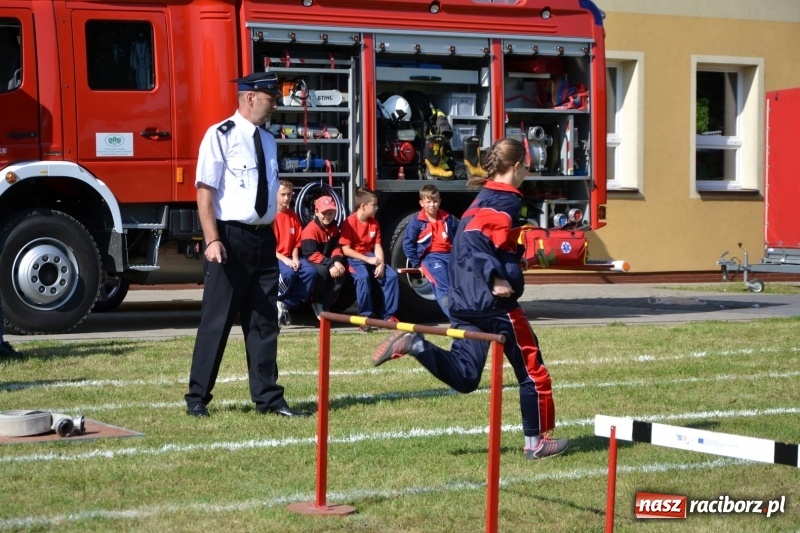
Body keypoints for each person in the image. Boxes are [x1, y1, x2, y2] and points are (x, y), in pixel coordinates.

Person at [372, 139, 568, 460]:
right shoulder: (504, 201)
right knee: (533, 371)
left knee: (465, 377)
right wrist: (497, 277)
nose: (529, 172)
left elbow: (488, 241)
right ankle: (537, 442)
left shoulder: (484, 197)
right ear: (517, 167)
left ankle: (416, 344)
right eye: (528, 166)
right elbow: (477, 237)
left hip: (463, 299)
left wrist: (518, 257)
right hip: (491, 302)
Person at [184, 71, 309, 418]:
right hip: (230, 238)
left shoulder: (268, 140)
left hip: (262, 238)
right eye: (270, 98)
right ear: (250, 97)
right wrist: (212, 240)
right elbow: (204, 192)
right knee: (217, 320)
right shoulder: (220, 135)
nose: (273, 106)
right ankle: (197, 398)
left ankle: (269, 399)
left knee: (264, 320)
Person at [340, 188, 399, 329]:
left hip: (370, 256)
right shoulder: (349, 222)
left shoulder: (374, 223)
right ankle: (364, 316)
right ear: (363, 206)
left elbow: (377, 246)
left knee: (391, 276)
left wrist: (381, 264)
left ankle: (388, 316)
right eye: (374, 204)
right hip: (354, 258)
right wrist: (368, 260)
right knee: (363, 277)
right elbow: (346, 250)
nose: (377, 207)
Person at [402, 184, 458, 320]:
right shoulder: (417, 221)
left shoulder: (448, 218)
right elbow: (407, 243)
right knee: (443, 289)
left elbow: (460, 237)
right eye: (428, 202)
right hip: (431, 258)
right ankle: (456, 321)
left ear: (440, 201)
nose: (432, 205)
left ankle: (464, 317)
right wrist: (417, 264)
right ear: (421, 203)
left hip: (451, 257)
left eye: (435, 201)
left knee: (458, 289)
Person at [274, 180, 317, 327]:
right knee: (288, 273)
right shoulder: (270, 216)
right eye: (283, 195)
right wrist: (286, 260)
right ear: (275, 195)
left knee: (310, 271)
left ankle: (285, 304)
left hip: (289, 257)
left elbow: (296, 242)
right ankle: (276, 301)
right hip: (275, 257)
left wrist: (295, 258)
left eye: (289, 195)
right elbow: (269, 247)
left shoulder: (293, 216)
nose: (286, 198)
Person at [300, 196, 348, 319]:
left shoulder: (334, 228)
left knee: (341, 272)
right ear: (316, 212)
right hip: (312, 260)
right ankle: (315, 301)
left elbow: (337, 247)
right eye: (324, 213)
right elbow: (310, 253)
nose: (327, 216)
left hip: (326, 261)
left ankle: (324, 304)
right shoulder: (310, 229)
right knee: (322, 272)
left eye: (330, 213)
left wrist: (337, 262)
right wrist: (330, 264)